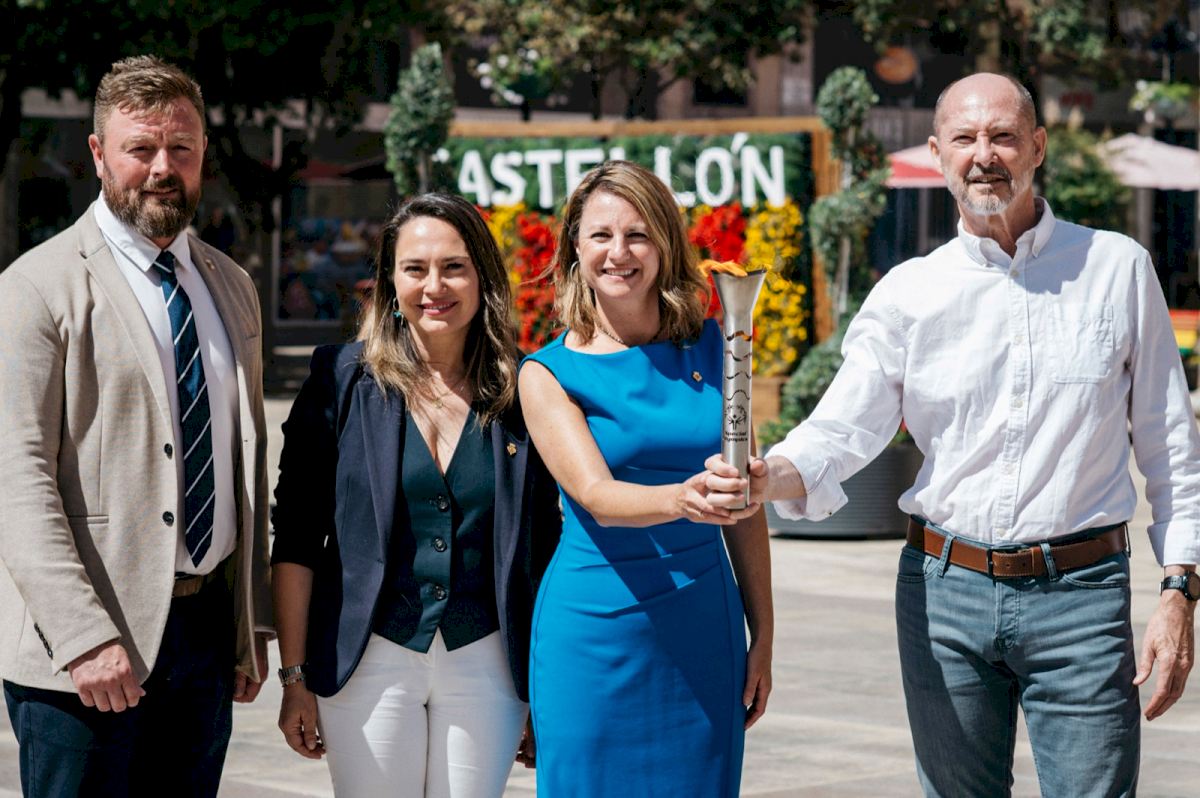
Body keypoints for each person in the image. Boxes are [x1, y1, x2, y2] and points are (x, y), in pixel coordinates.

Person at [708, 72, 1200, 796]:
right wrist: (768, 475)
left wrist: (1179, 590)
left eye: (1003, 136)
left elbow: (1170, 444)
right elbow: (843, 427)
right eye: (964, 138)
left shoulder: (1116, 268)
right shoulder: (909, 292)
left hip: (1083, 598)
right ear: (939, 154)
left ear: (1037, 147)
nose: (984, 155)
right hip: (944, 596)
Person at [0, 55, 272, 796]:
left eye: (180, 148)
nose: (161, 169)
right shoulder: (36, 287)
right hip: (85, 657)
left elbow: (245, 461)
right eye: (140, 148)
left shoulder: (231, 286)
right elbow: (16, 480)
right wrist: (83, 636)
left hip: (204, 641)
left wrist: (250, 623)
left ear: (203, 152)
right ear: (98, 154)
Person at [271, 192, 562, 797]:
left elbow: (546, 549)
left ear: (483, 278)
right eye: (415, 268)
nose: (435, 286)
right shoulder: (339, 381)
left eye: (454, 267)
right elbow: (296, 538)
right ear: (390, 280)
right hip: (367, 657)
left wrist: (544, 689)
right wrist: (294, 677)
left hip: (487, 659)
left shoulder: (526, 388)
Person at [519, 160, 774, 796]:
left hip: (704, 627)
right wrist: (684, 498)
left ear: (664, 245)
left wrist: (764, 633)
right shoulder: (547, 373)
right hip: (595, 631)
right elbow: (597, 497)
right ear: (574, 248)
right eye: (601, 235)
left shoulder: (721, 346)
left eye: (638, 235)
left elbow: (745, 506)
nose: (619, 253)